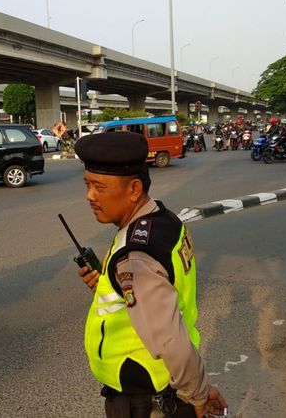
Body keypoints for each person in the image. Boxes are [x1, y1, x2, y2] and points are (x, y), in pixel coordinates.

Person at [74, 131, 228, 418]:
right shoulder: (163, 220)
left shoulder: (135, 254)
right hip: (160, 386)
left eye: (99, 187)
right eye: (87, 185)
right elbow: (160, 291)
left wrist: (198, 396)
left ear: (133, 189)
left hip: (144, 401)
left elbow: (170, 338)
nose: (89, 196)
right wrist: (106, 285)